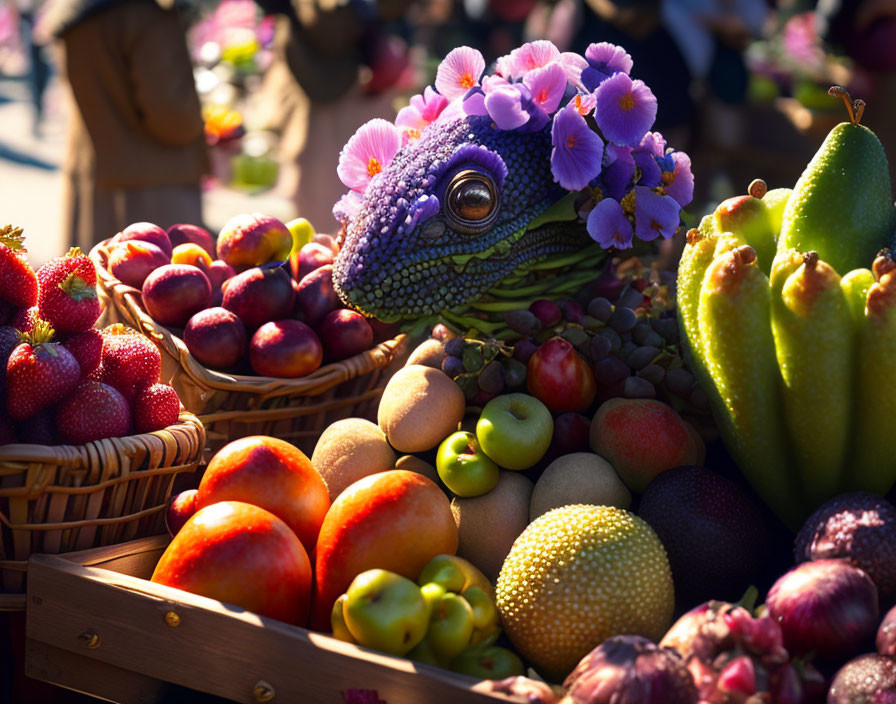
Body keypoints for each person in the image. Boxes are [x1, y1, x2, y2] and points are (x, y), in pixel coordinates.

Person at [41, 0, 208, 252]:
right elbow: (173, 117)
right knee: (154, 285)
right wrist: (204, 130)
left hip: (95, 177)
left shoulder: (79, 11)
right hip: (155, 188)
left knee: (92, 282)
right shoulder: (147, 16)